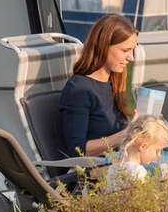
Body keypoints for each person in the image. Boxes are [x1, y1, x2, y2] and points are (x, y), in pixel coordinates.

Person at [59, 14, 138, 157]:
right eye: (125, 50)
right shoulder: (79, 90)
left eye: (132, 50)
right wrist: (124, 135)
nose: (131, 58)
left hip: (119, 164)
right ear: (103, 46)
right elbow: (77, 150)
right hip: (93, 173)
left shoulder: (114, 81)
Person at [104, 115, 168, 190]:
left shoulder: (113, 167)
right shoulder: (138, 172)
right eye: (157, 150)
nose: (158, 156)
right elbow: (144, 199)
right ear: (143, 147)